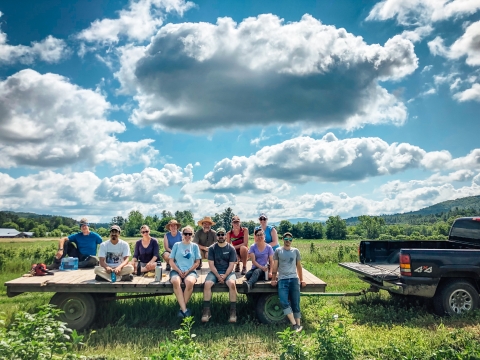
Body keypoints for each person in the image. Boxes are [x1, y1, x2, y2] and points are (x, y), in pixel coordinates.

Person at [270, 232, 307, 332]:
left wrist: (302, 279)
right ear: (283, 239)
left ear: (292, 241)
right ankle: (294, 324)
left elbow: (299, 266)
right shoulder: (278, 251)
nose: (288, 241)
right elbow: (275, 265)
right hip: (282, 279)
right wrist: (273, 278)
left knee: (296, 302)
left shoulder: (295, 251)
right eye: (286, 239)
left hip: (294, 279)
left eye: (290, 240)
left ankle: (298, 325)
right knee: (283, 301)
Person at [201, 227, 238, 323]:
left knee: (232, 284)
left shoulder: (231, 248)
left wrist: (225, 276)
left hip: (228, 272)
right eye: (219, 235)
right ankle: (206, 312)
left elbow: (231, 265)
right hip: (215, 272)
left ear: (226, 236)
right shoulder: (212, 248)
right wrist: (218, 276)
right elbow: (211, 265)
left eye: (222, 234)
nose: (221, 236)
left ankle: (233, 313)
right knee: (207, 284)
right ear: (216, 236)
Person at [169, 225, 201, 318]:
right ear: (182, 234)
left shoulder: (194, 246)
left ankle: (181, 309)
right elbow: (171, 260)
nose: (187, 236)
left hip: (190, 270)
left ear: (192, 235)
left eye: (189, 234)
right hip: (176, 269)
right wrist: (178, 270)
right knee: (175, 281)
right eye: (185, 233)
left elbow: (197, 262)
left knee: (190, 282)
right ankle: (185, 310)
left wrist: (188, 271)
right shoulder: (177, 245)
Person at [243, 228, 274, 293]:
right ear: (255, 237)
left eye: (261, 235)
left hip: (265, 268)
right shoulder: (253, 247)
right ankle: (262, 277)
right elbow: (253, 261)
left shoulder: (269, 247)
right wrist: (261, 267)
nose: (259, 236)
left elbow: (271, 261)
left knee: (257, 272)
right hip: (256, 267)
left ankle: (249, 285)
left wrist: (270, 272)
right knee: (248, 275)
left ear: (264, 236)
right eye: (257, 235)